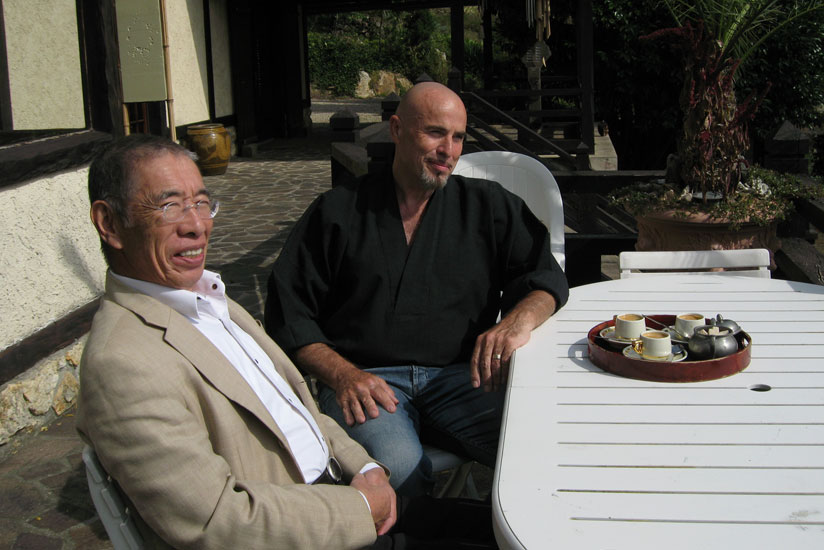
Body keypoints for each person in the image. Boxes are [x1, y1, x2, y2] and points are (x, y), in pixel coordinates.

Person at [77, 134, 497, 550]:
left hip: (339, 497)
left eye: (202, 203)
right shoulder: (123, 362)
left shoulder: (208, 301)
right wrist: (358, 508)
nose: (197, 226)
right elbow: (216, 520)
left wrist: (366, 467)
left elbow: (299, 411)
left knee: (504, 528)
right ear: (109, 223)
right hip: (302, 531)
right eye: (169, 206)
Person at [265, 82, 569, 496]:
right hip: (367, 384)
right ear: (397, 129)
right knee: (399, 469)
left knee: (546, 438)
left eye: (458, 137)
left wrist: (518, 321)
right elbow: (289, 313)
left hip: (463, 378)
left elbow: (544, 277)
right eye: (435, 133)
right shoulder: (338, 211)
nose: (448, 150)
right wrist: (342, 375)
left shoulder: (486, 206)